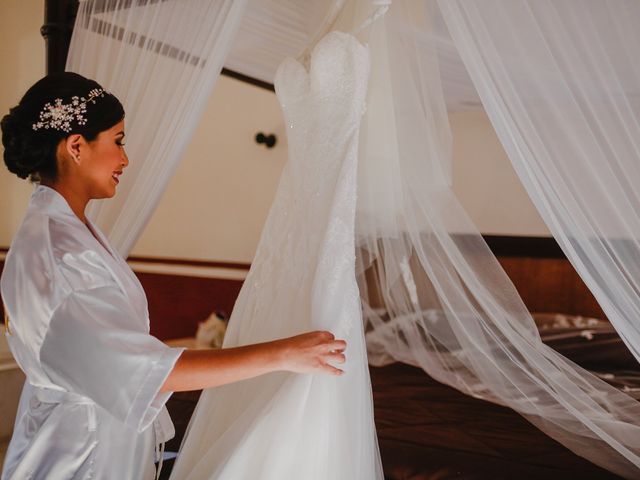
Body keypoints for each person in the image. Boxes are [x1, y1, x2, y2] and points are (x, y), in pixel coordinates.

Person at [0, 71, 346, 480]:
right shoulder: (59, 254)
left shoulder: (65, 232)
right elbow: (145, 372)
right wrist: (282, 354)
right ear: (77, 146)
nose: (125, 160)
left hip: (96, 434)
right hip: (80, 459)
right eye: (118, 141)